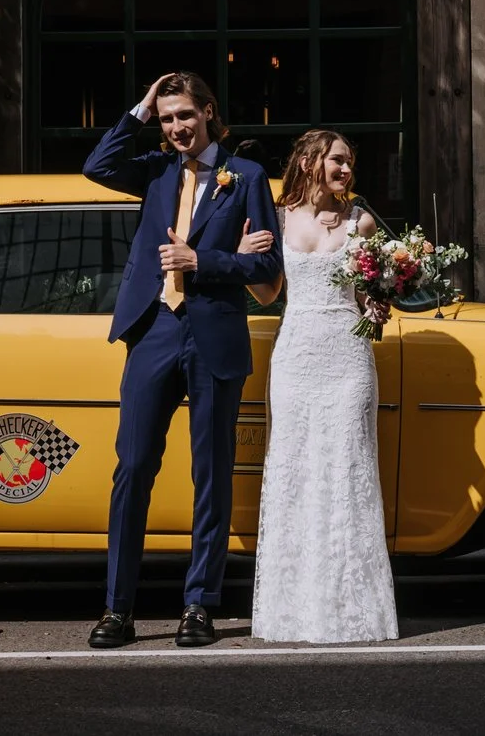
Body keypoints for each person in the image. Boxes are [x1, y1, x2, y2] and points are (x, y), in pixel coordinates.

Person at [83, 71, 281, 649]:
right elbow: (97, 166)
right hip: (154, 329)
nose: (176, 128)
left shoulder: (246, 177)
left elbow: (268, 271)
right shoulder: (154, 169)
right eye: (167, 118)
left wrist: (206, 260)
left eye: (184, 115)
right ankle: (117, 608)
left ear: (208, 113)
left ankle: (199, 604)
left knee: (211, 473)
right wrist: (142, 107)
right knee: (133, 466)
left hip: (214, 333)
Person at [250, 130, 399, 644]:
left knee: (347, 466)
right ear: (310, 162)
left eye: (350, 162)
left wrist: (378, 303)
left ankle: (351, 609)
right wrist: (243, 255)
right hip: (295, 355)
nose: (346, 169)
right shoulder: (278, 216)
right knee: (294, 468)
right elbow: (268, 293)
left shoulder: (361, 220)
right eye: (338, 160)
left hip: (348, 356)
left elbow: (369, 295)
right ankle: (293, 610)